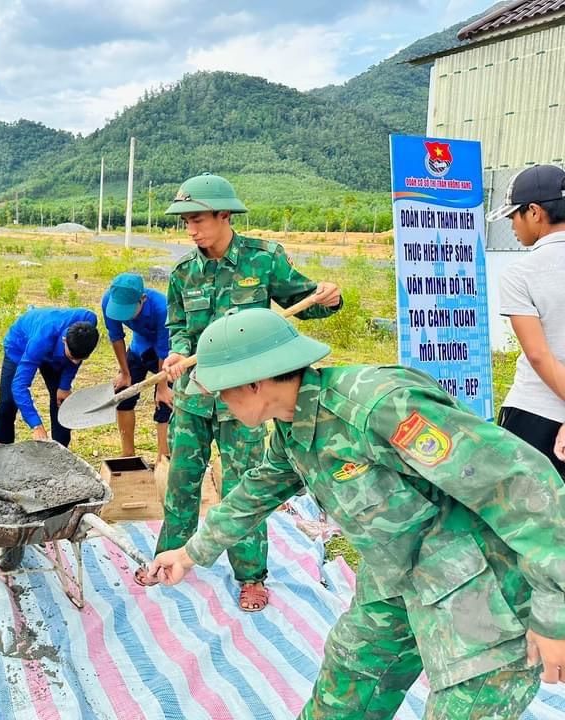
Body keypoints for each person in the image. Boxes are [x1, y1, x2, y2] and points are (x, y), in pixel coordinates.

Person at [150, 308, 565, 718]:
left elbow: (521, 483)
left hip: (481, 589)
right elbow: (252, 495)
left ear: (256, 383)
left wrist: (555, 615)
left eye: (223, 390)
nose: (220, 402)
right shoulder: (292, 429)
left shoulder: (378, 406)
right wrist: (188, 555)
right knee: (345, 688)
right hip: (397, 578)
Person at [137, 172, 342, 615]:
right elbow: (179, 330)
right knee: (181, 483)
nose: (190, 230)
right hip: (194, 397)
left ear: (224, 215)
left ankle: (250, 575)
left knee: (243, 487)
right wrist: (176, 353)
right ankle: (168, 558)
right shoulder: (182, 274)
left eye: (198, 219)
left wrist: (328, 298)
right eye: (185, 221)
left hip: (245, 402)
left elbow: (306, 299)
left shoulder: (264, 260)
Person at [487, 164, 565, 477]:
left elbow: (538, 354)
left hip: (536, 412)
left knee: (522, 517)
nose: (512, 225)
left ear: (534, 212)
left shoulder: (520, 274)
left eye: (513, 215)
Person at [0, 307, 99, 447]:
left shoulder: (88, 323)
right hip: (20, 345)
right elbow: (19, 386)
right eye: (72, 357)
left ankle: (60, 451)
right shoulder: (40, 341)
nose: (74, 363)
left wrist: (64, 386)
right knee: (8, 402)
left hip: (55, 355)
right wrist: (36, 425)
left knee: (61, 401)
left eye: (81, 359)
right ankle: (3, 450)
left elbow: (74, 360)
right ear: (64, 340)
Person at [101, 273, 172, 458]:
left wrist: (163, 387)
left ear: (142, 299)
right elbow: (116, 337)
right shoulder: (109, 301)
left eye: (129, 309)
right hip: (139, 347)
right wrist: (125, 373)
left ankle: (162, 459)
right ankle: (128, 456)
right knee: (123, 395)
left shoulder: (162, 308)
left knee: (165, 402)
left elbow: (164, 350)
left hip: (165, 353)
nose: (123, 314)